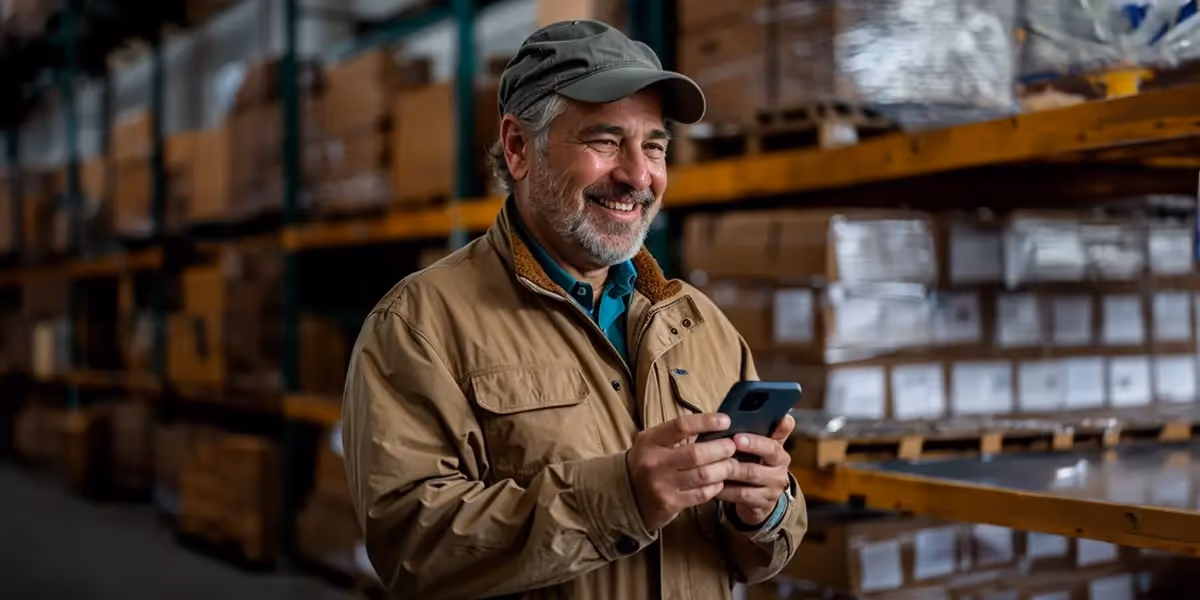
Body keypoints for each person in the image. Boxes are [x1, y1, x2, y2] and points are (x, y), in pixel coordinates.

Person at [341, 19, 806, 600]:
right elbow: (411, 546)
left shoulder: (699, 322)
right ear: (518, 148)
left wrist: (761, 511)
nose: (638, 176)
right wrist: (621, 497)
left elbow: (757, 555)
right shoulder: (419, 325)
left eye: (654, 146)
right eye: (605, 141)